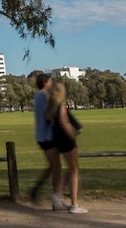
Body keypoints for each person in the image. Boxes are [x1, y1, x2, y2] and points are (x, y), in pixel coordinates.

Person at [45, 80, 88, 214]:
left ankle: (57, 194)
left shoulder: (49, 108)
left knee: (70, 170)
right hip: (67, 141)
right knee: (74, 171)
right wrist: (73, 133)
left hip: (58, 141)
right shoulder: (61, 106)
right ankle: (74, 204)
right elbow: (64, 123)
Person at [29, 72, 67, 210]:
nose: (51, 83)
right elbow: (48, 115)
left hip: (41, 136)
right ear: (45, 82)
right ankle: (56, 199)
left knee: (53, 166)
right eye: (50, 80)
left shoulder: (38, 96)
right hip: (47, 136)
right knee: (57, 167)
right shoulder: (44, 96)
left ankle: (37, 188)